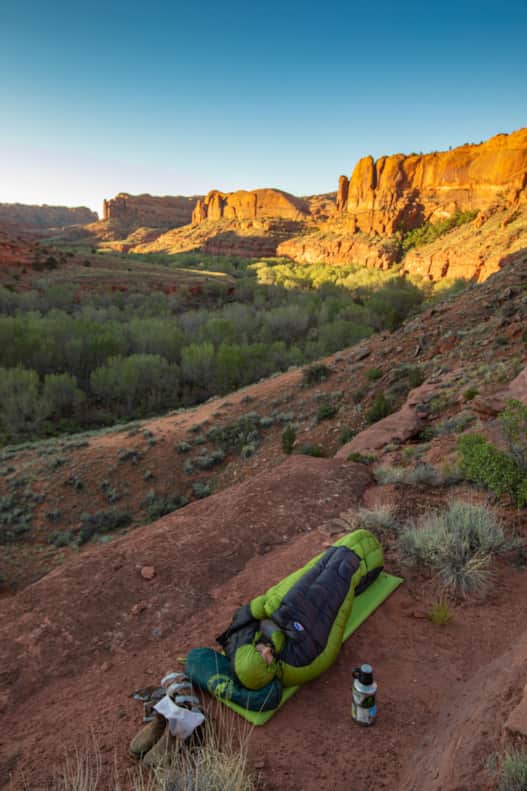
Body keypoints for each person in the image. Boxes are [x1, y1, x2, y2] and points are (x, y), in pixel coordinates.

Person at [214, 528, 384, 693]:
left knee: (317, 568)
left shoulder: (246, 642)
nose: (266, 651)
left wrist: (265, 609)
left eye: (259, 651)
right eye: (266, 659)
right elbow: (318, 642)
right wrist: (278, 618)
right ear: (268, 672)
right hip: (319, 604)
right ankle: (362, 552)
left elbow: (252, 612)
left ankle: (357, 546)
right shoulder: (294, 666)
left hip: (291, 601)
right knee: (341, 568)